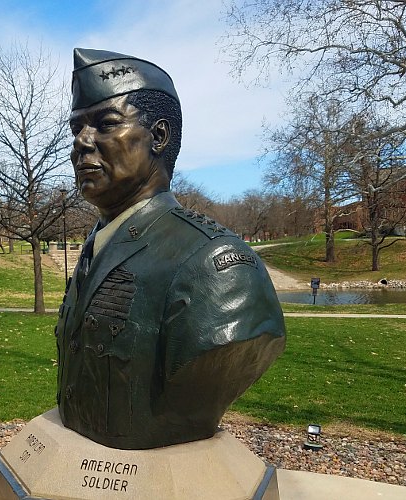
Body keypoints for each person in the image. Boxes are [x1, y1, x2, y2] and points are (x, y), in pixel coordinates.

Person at [55, 48, 286, 450]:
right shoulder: (96, 247)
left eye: (106, 124)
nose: (82, 143)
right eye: (76, 129)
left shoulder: (214, 263)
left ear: (158, 137)